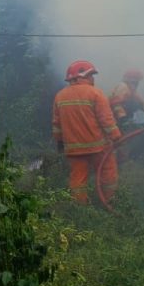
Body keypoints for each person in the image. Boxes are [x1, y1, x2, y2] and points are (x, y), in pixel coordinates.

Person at [52, 60, 122, 205]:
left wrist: (59, 142)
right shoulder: (95, 93)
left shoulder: (60, 96)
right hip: (97, 148)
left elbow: (56, 124)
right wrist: (116, 137)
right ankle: (110, 202)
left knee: (78, 180)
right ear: (83, 76)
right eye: (91, 75)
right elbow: (106, 120)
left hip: (74, 148)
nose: (93, 79)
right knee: (107, 174)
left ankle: (80, 208)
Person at [109, 68, 144, 133]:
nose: (137, 84)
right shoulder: (123, 87)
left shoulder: (132, 92)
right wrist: (123, 118)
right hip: (116, 122)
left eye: (137, 82)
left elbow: (143, 105)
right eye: (135, 82)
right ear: (130, 81)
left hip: (123, 122)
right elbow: (116, 104)